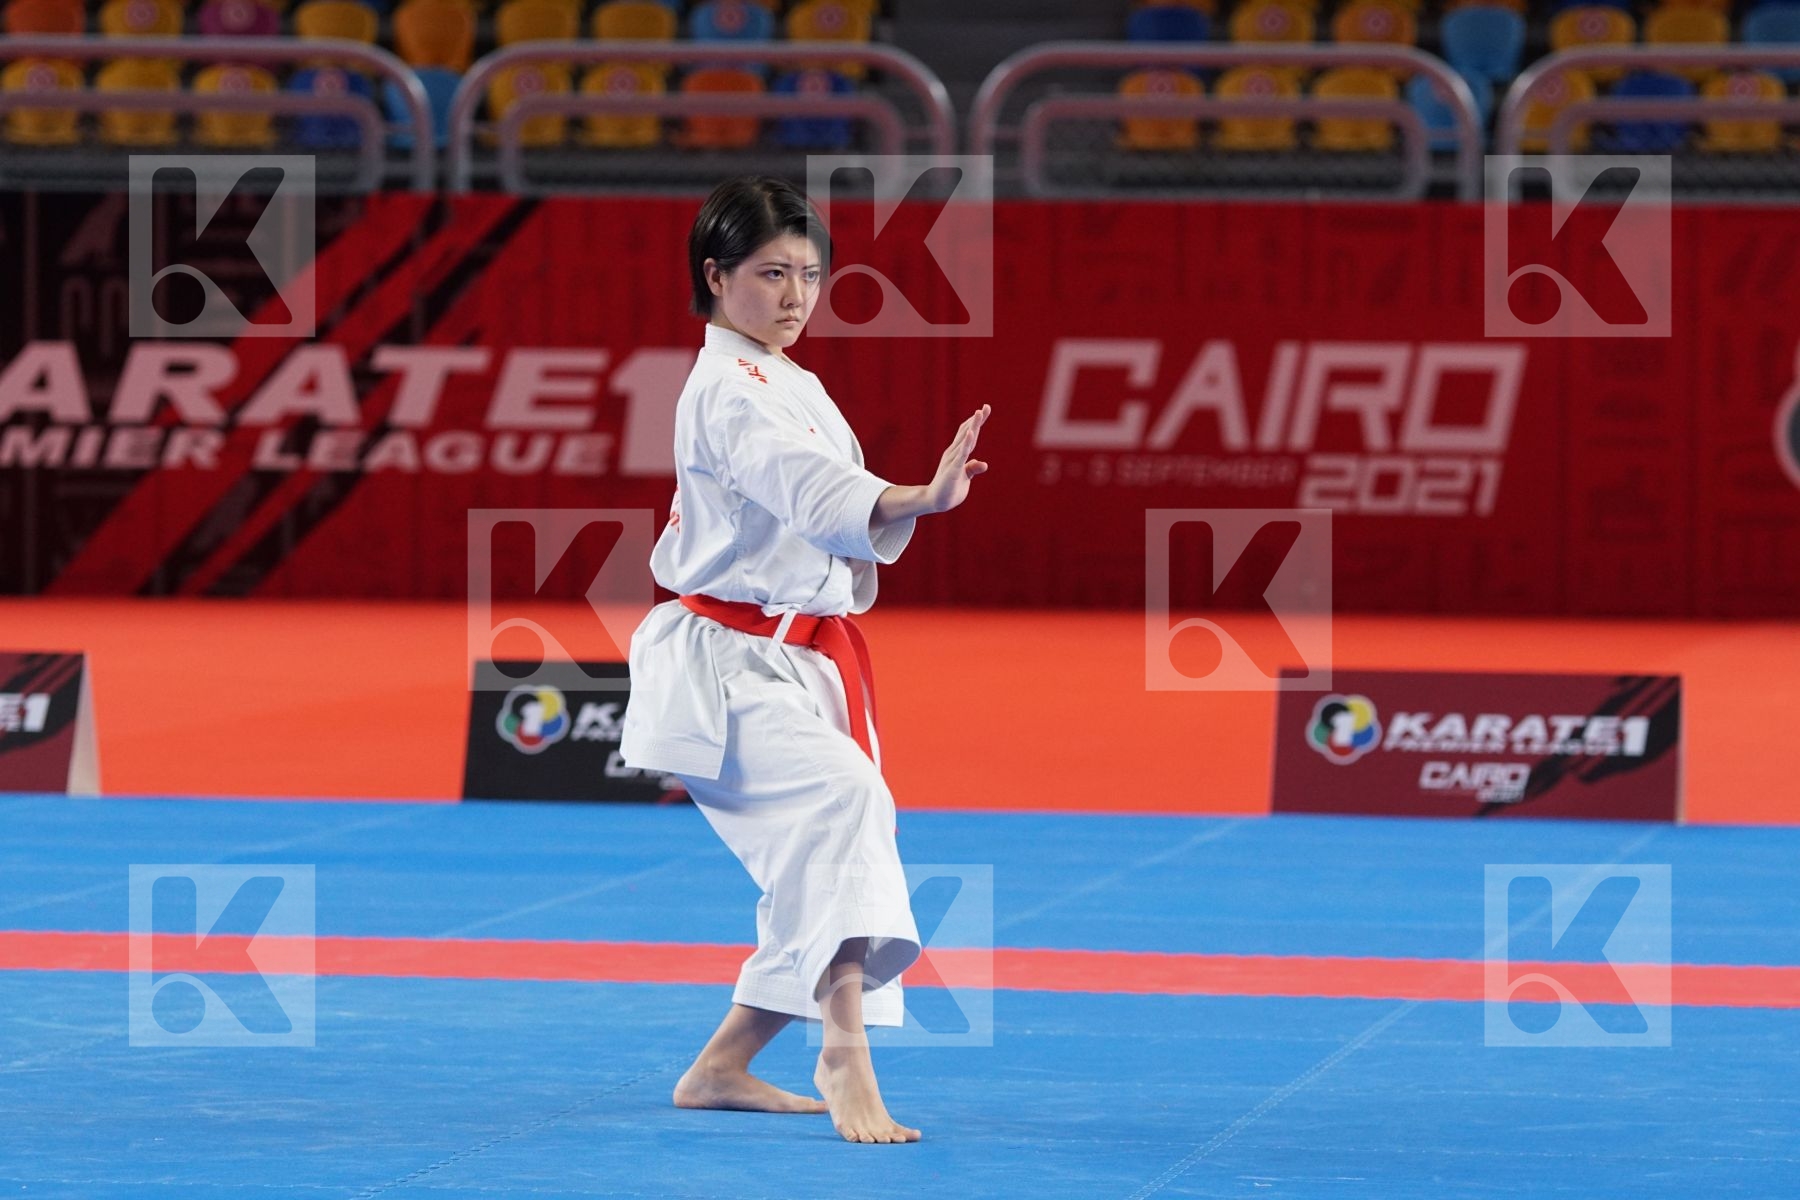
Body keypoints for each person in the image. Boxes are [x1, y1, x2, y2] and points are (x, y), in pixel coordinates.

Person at [618, 175, 991, 1145]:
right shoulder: (727, 392)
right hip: (725, 666)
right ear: (716, 276)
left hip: (797, 660)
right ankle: (845, 1050)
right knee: (842, 806)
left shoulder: (793, 380)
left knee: (819, 860)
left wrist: (901, 501)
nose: (795, 296)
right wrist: (919, 496)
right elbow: (811, 489)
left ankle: (723, 1066)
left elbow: (828, 507)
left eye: (811, 276)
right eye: (771, 273)